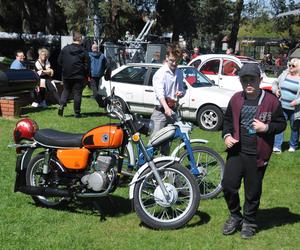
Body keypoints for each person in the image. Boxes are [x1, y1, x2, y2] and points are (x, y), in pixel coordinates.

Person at [221, 63, 286, 239]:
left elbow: (281, 124)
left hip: (258, 153)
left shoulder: (271, 101)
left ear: (260, 80)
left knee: (252, 190)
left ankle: (249, 221)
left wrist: (265, 128)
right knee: (228, 185)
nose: (248, 83)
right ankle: (235, 215)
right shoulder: (236, 98)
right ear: (240, 81)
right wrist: (227, 135)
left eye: (252, 79)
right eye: (244, 79)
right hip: (236, 151)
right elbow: (227, 120)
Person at [150, 43, 186, 155]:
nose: (174, 63)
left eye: (177, 61)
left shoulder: (179, 73)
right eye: (171, 60)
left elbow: (182, 89)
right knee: (154, 143)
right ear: (166, 58)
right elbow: (160, 94)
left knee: (167, 143)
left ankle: (164, 169)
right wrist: (166, 108)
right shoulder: (160, 73)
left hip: (172, 110)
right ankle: (145, 167)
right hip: (161, 112)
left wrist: (181, 93)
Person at [57, 32, 89, 118]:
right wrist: (86, 74)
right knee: (77, 93)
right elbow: (87, 64)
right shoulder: (83, 50)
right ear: (80, 39)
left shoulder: (65, 49)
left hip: (67, 74)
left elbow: (59, 61)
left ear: (73, 38)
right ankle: (77, 113)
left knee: (66, 90)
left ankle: (62, 105)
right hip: (79, 75)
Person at [272, 57, 300, 153]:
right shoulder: (284, 74)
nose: (290, 67)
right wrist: (276, 90)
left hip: (295, 109)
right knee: (280, 126)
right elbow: (275, 83)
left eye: (293, 65)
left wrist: (297, 102)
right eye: (289, 65)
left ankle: (293, 145)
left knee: (295, 127)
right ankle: (277, 146)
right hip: (282, 106)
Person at [88, 43, 107, 107]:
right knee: (99, 87)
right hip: (100, 74)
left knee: (94, 89)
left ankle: (101, 103)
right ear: (97, 49)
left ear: (92, 48)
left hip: (92, 74)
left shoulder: (89, 55)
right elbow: (105, 65)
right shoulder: (102, 55)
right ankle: (99, 97)